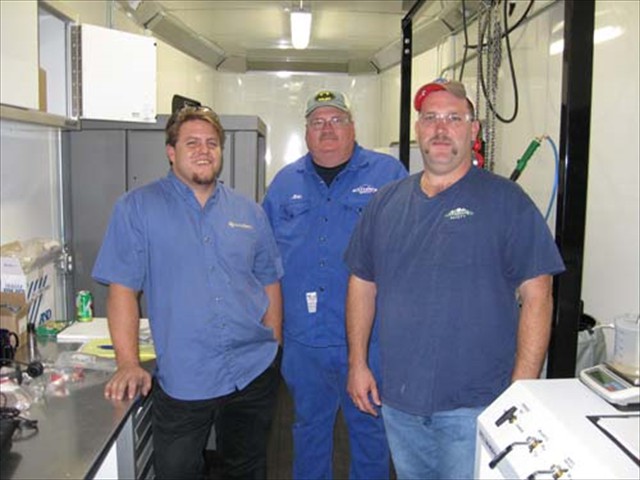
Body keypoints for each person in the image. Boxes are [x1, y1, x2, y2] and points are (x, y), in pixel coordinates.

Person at [344, 78, 565, 480]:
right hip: (400, 402)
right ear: (418, 130)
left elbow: (539, 295)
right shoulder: (386, 202)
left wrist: (521, 389)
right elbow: (362, 282)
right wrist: (357, 362)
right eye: (430, 118)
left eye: (453, 118)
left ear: (473, 129)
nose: (440, 129)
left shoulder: (506, 201)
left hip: (476, 405)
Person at [92, 106, 284, 480]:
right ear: (171, 151)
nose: (203, 150)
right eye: (192, 142)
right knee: (177, 471)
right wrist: (128, 363)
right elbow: (122, 290)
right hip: (184, 378)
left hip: (252, 370)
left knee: (247, 468)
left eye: (212, 143)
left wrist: (274, 343)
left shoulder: (249, 212)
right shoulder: (137, 208)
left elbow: (269, 280)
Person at [262, 90, 407, 479]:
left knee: (369, 430)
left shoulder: (388, 175)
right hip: (304, 341)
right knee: (308, 431)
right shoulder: (284, 183)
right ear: (306, 132)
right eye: (317, 122)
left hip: (370, 340)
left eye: (336, 120)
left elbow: (411, 248)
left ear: (352, 127)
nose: (327, 129)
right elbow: (263, 260)